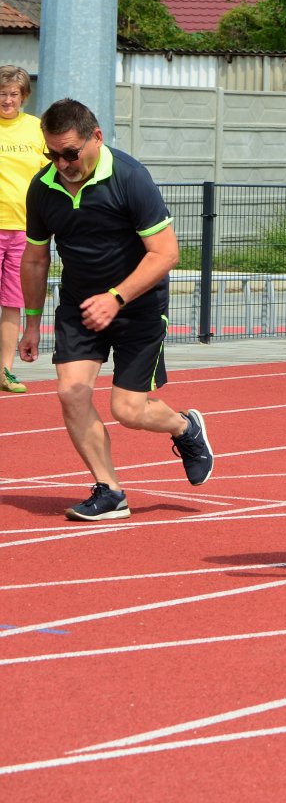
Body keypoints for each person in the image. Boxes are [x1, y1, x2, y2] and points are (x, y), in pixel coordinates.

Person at [18, 98, 216, 519]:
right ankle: (110, 491)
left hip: (138, 307)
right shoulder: (42, 187)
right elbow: (35, 259)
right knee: (71, 393)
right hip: (79, 306)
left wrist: (116, 298)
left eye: (70, 153)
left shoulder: (129, 177)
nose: (62, 163)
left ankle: (185, 427)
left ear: (96, 137)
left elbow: (165, 253)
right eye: (52, 154)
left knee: (128, 410)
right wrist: (31, 323)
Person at [0, 65, 37, 394]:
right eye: (2, 93)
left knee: (12, 304)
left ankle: (5, 371)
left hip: (24, 231)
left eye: (13, 94)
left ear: (23, 96)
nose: (7, 100)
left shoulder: (36, 129)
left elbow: (50, 176)